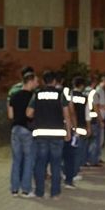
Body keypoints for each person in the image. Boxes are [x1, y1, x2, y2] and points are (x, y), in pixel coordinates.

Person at [26, 70, 71, 200]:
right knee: (56, 164)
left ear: (44, 81)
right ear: (55, 81)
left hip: (41, 134)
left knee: (40, 163)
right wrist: (68, 131)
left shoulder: (37, 94)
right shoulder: (60, 95)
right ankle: (55, 193)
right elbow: (66, 115)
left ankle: (40, 192)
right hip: (57, 135)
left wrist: (39, 114)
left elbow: (28, 113)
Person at [8, 72, 39, 198]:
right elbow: (31, 114)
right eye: (36, 81)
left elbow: (10, 115)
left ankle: (14, 189)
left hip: (15, 129)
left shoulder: (13, 96)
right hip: (28, 130)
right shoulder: (33, 96)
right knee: (28, 160)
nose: (37, 84)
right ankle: (26, 190)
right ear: (30, 81)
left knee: (16, 160)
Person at [84, 75, 102, 167]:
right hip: (93, 120)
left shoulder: (83, 92)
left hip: (84, 120)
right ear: (93, 83)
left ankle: (84, 160)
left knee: (85, 142)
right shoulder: (93, 93)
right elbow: (96, 107)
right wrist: (101, 120)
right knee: (94, 141)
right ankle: (93, 160)